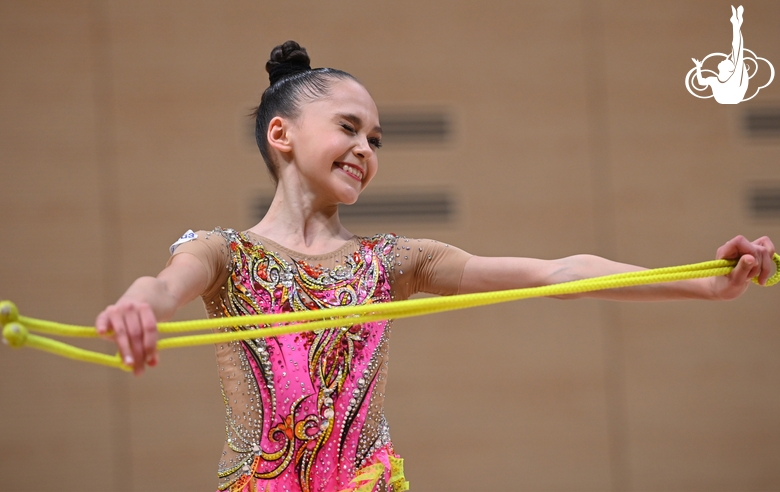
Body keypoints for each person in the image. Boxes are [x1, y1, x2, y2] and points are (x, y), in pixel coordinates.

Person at [96, 40, 776, 492]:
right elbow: (161, 286)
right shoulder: (225, 254)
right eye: (348, 126)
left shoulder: (393, 261)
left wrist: (706, 285)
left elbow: (558, 274)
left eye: (375, 138)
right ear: (282, 135)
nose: (366, 147)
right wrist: (136, 307)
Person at [692, 5, 749, 104]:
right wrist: (698, 67)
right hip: (729, 98)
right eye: (728, 60)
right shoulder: (716, 80)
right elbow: (701, 82)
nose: (725, 59)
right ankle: (736, 23)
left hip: (732, 97)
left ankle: (736, 23)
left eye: (727, 61)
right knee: (737, 51)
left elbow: (738, 49)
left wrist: (736, 26)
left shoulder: (732, 78)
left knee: (737, 50)